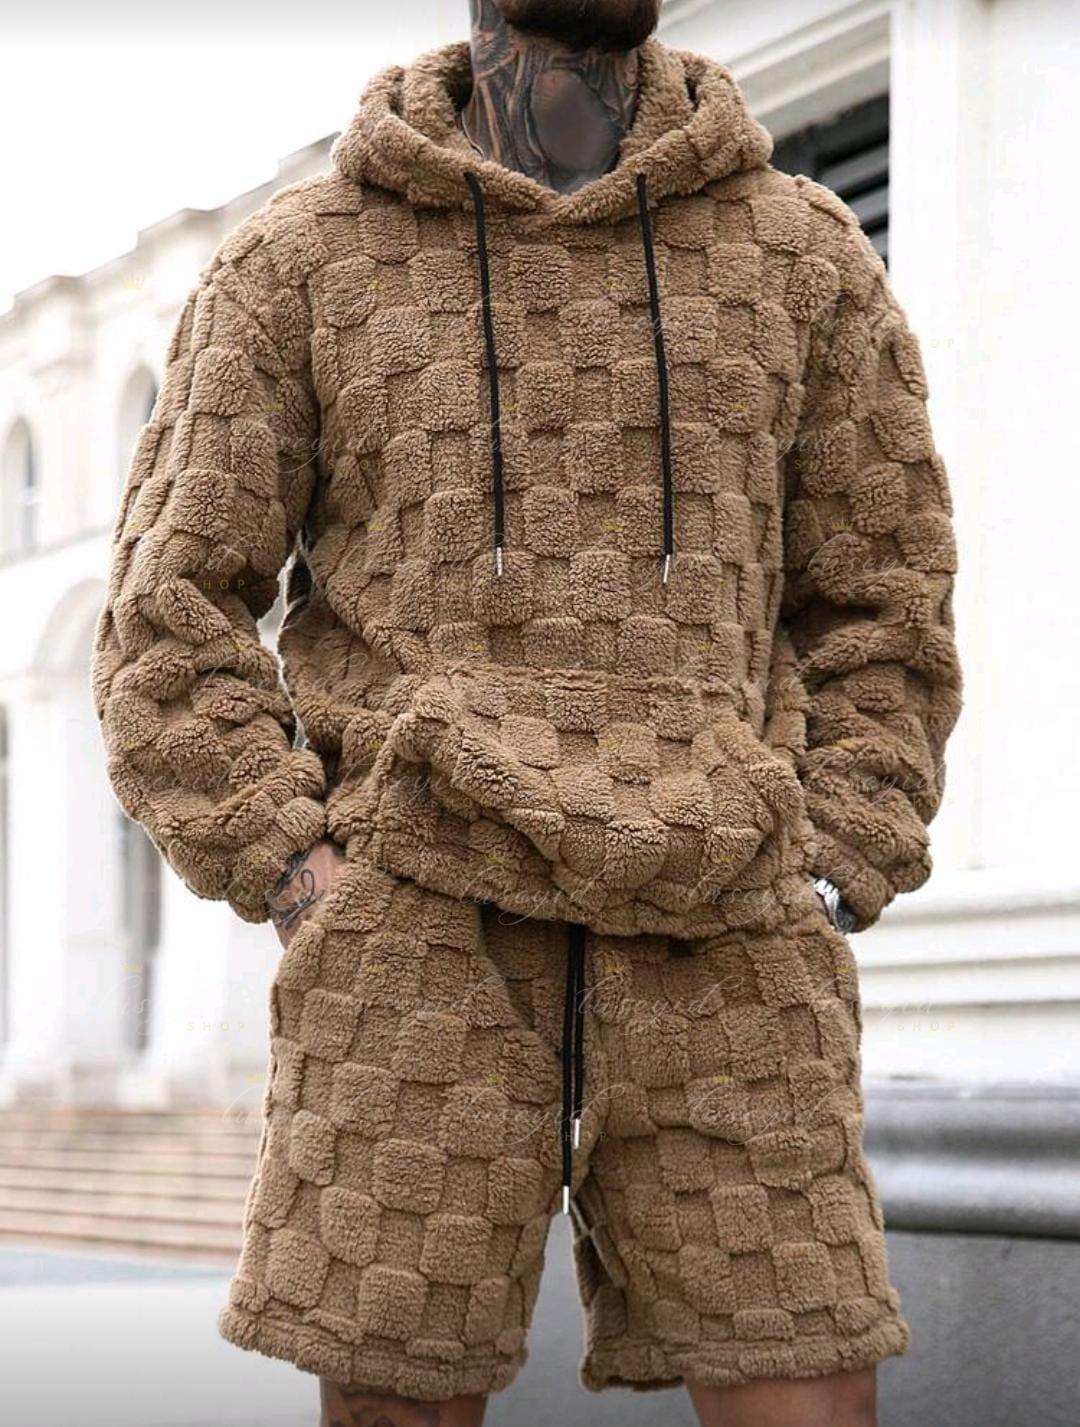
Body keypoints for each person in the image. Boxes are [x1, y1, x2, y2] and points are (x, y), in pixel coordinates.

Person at [89, 0, 963, 1423]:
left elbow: (888, 600)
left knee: (808, 1390)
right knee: (399, 1404)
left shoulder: (801, 254)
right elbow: (166, 611)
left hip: (731, 928)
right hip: (417, 935)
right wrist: (305, 878)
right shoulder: (299, 260)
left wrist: (830, 864)